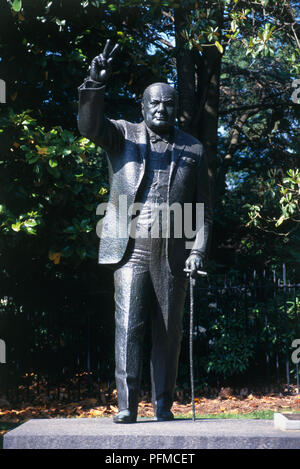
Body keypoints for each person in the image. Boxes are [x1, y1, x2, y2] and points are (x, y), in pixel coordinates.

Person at [78, 40, 212, 423]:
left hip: (172, 250)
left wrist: (197, 250)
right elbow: (89, 125)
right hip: (131, 246)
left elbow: (203, 211)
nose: (161, 108)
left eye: (168, 103)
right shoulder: (122, 135)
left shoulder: (194, 149)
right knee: (128, 327)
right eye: (154, 102)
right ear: (142, 107)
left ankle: (164, 405)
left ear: (176, 108)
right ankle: (126, 406)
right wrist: (94, 83)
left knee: (168, 333)